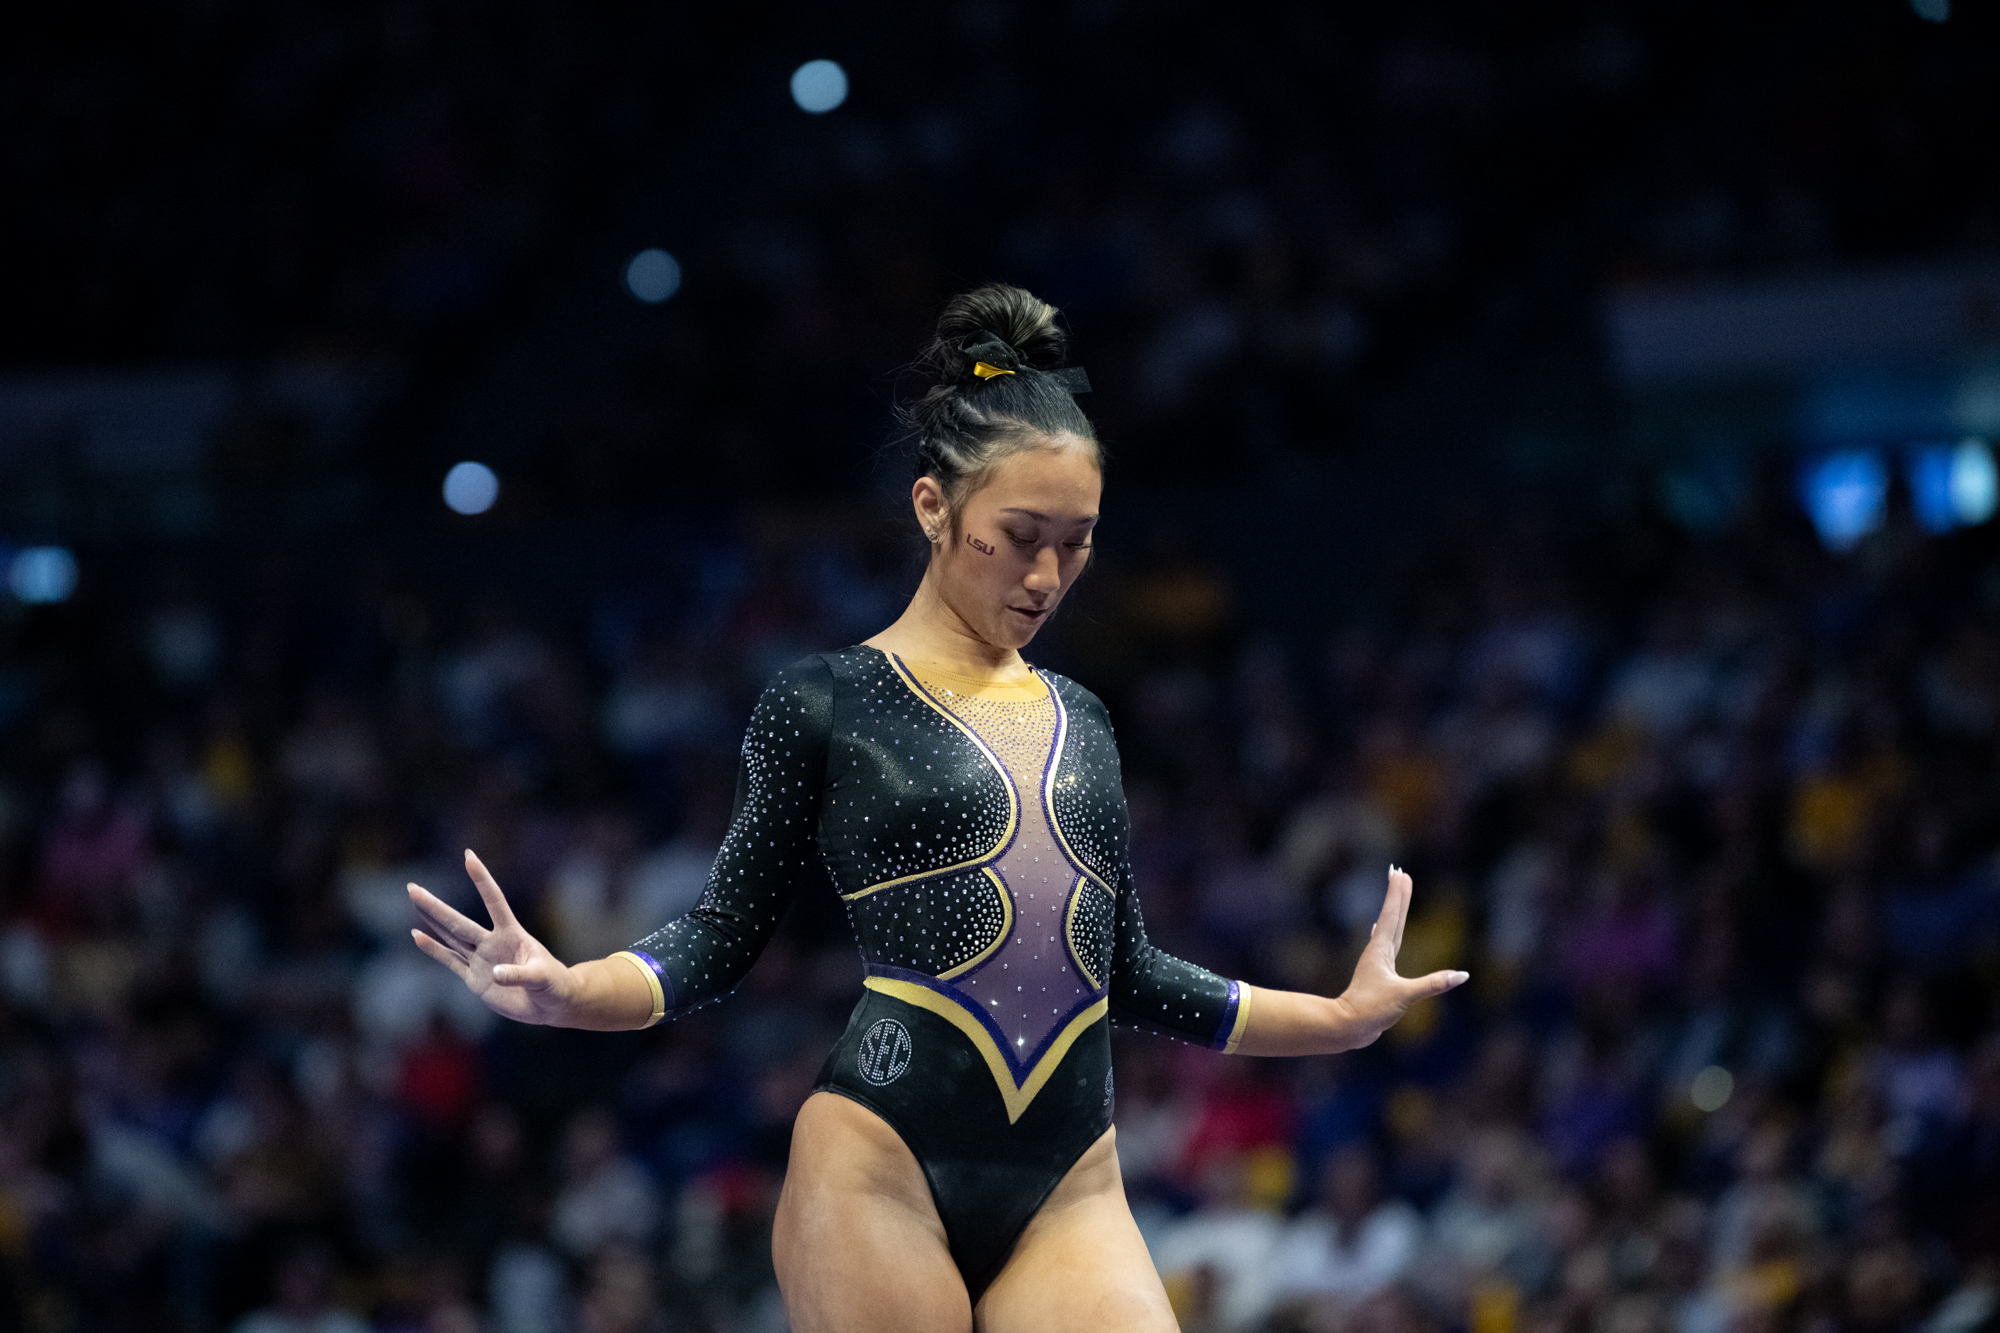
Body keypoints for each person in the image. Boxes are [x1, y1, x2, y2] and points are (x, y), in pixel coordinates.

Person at [408, 284, 1469, 1333]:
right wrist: (571, 990)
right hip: (879, 1161)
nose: (1049, 574)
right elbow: (721, 936)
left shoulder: (1082, 715)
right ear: (932, 506)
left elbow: (1126, 970)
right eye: (1018, 534)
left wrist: (1330, 1019)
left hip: (1069, 1184)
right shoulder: (825, 698)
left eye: (1078, 538)